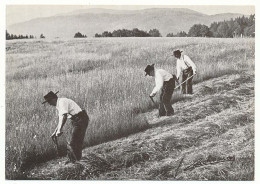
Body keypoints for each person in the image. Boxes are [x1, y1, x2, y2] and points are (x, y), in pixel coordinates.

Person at [42, 91, 89, 163]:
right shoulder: (59, 105)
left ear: (54, 99)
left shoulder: (62, 102)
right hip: (76, 120)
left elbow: (64, 116)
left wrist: (59, 130)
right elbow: (61, 119)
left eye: (49, 101)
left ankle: (74, 162)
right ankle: (76, 160)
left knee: (73, 142)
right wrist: (55, 132)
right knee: (75, 141)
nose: (49, 104)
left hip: (80, 119)